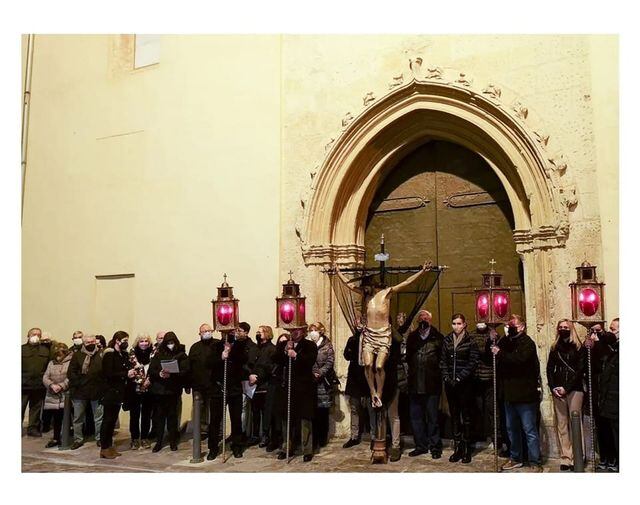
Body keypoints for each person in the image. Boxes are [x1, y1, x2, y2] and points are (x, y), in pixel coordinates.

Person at [335, 262, 432, 408]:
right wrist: (338, 273)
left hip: (383, 334)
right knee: (367, 364)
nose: (364, 289)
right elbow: (349, 285)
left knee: (379, 366)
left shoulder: (387, 293)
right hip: (369, 335)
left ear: (371, 284)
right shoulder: (365, 295)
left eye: (366, 287)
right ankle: (373, 392)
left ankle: (379, 393)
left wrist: (423, 272)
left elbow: (406, 282)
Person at [491, 314, 543, 472]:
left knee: (529, 429)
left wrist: (499, 353)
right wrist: (493, 338)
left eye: (512, 324)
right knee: (511, 428)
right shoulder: (507, 341)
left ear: (522, 326)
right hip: (509, 393)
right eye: (508, 324)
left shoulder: (527, 343)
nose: (509, 327)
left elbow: (519, 360)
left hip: (525, 394)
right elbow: (495, 352)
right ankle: (516, 458)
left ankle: (535, 460)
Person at [273, 326, 318, 462]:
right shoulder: (283, 344)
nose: (295, 332)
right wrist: (285, 351)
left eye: (298, 330)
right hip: (287, 386)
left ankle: (307, 449)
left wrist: (296, 355)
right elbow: (275, 359)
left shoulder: (310, 345)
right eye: (292, 330)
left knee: (305, 419)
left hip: (304, 388)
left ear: (303, 331)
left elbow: (310, 361)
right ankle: (287, 447)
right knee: (286, 418)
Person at [546, 319, 586, 471]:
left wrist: (566, 388)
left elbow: (580, 370)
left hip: (574, 389)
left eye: (566, 327)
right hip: (558, 390)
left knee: (575, 423)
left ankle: (578, 456)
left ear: (571, 329)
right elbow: (550, 369)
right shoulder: (554, 347)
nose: (563, 329)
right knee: (562, 424)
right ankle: (566, 457)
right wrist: (553, 387)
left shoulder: (578, 347)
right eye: (560, 327)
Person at [440, 313, 479, 464]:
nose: (456, 326)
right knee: (455, 415)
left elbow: (473, 361)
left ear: (464, 324)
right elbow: (442, 360)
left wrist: (459, 377)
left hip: (465, 384)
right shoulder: (447, 339)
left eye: (459, 323)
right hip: (450, 384)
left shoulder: (470, 340)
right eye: (454, 323)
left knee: (466, 416)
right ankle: (458, 448)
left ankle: (467, 448)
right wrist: (447, 377)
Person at [406, 309, 444, 459]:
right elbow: (408, 358)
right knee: (416, 417)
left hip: (432, 384)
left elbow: (442, 360)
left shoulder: (438, 338)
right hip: (415, 384)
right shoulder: (412, 338)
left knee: (432, 417)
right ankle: (420, 445)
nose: (423, 319)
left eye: (426, 317)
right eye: (421, 317)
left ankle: (435, 446)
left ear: (430, 320)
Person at [585, 318, 619, 471]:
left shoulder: (611, 347)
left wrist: (600, 341)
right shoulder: (597, 346)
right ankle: (605, 457)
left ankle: (614, 459)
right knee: (601, 428)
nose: (612, 333)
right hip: (599, 394)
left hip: (612, 396)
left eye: (614, 329)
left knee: (614, 432)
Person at [208, 328, 248, 459]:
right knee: (215, 419)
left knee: (236, 419)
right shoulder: (215, 346)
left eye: (231, 332)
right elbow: (209, 363)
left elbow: (243, 360)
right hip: (218, 388)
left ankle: (237, 446)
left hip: (234, 388)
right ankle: (213, 448)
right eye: (225, 333)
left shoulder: (239, 346)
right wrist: (222, 355)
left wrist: (231, 352)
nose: (228, 335)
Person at [471, 322, 509, 456]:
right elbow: (475, 353)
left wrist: (491, 341)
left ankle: (497, 438)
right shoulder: (472, 335)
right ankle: (479, 435)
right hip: (476, 378)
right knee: (477, 409)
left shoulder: (494, 335)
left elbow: (491, 355)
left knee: (492, 410)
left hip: (490, 378)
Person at [148, 331, 189, 452]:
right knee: (159, 418)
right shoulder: (159, 353)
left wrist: (173, 373)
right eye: (168, 343)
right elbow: (152, 370)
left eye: (172, 343)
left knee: (172, 418)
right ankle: (159, 441)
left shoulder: (181, 354)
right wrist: (160, 373)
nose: (170, 345)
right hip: (160, 391)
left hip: (173, 391)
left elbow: (186, 370)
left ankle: (172, 441)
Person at [99, 331, 134, 458]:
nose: (126, 343)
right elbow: (108, 373)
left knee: (113, 419)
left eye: (127, 340)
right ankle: (104, 447)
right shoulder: (110, 354)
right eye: (124, 340)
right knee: (107, 420)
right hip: (110, 391)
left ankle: (109, 446)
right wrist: (125, 374)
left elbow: (126, 367)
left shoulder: (123, 354)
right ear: (117, 341)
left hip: (119, 392)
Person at [67, 334, 105, 449]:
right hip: (80, 391)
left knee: (98, 418)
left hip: (97, 391)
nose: (91, 344)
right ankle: (78, 439)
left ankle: (100, 438)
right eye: (88, 342)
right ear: (83, 343)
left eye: (92, 342)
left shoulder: (101, 354)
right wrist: (80, 382)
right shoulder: (77, 355)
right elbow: (71, 372)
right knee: (78, 418)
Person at [342, 327, 373, 448]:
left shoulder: (371, 339)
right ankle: (354, 436)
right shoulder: (352, 339)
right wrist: (354, 342)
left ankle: (374, 436)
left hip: (367, 376)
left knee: (371, 408)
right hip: (354, 378)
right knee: (354, 408)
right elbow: (346, 355)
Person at [188, 324, 218, 442]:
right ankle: (203, 431)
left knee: (215, 410)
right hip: (198, 385)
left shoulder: (217, 344)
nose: (206, 332)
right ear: (199, 333)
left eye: (208, 330)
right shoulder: (194, 347)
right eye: (204, 331)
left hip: (214, 384)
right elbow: (189, 367)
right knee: (200, 409)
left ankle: (217, 432)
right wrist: (188, 384)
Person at [249, 325, 277, 448]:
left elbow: (271, 367)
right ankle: (255, 435)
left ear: (267, 333)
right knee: (255, 412)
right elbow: (250, 363)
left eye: (260, 332)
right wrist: (250, 375)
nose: (258, 334)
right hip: (254, 387)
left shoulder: (272, 349)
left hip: (266, 385)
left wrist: (258, 377)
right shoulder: (255, 348)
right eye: (257, 332)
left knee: (267, 413)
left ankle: (266, 435)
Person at [309, 322, 336, 451]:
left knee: (322, 411)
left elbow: (330, 361)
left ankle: (322, 438)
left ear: (321, 331)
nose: (312, 332)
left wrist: (320, 372)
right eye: (311, 330)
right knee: (312, 411)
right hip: (310, 381)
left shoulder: (327, 345)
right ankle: (312, 439)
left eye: (315, 330)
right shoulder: (308, 344)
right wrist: (312, 371)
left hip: (323, 382)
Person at [42, 342, 72, 447]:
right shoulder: (51, 363)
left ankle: (66, 438)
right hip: (53, 394)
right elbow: (45, 376)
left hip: (65, 394)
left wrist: (61, 385)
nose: (59, 357)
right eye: (57, 355)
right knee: (56, 418)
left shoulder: (70, 362)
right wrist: (51, 385)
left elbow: (71, 376)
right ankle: (56, 438)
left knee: (67, 417)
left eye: (61, 355)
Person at [126, 333, 153, 449]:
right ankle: (135, 438)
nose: (144, 343)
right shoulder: (131, 355)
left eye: (146, 341)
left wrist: (149, 380)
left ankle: (145, 438)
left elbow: (155, 369)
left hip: (148, 388)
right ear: (137, 342)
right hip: (134, 389)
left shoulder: (153, 354)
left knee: (146, 415)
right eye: (141, 341)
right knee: (134, 415)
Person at [22, 327, 50, 437]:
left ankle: (33, 428)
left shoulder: (45, 350)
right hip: (22, 385)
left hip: (38, 385)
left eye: (39, 335)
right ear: (28, 336)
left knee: (36, 408)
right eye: (33, 334)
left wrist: (50, 342)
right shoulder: (21, 349)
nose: (36, 336)